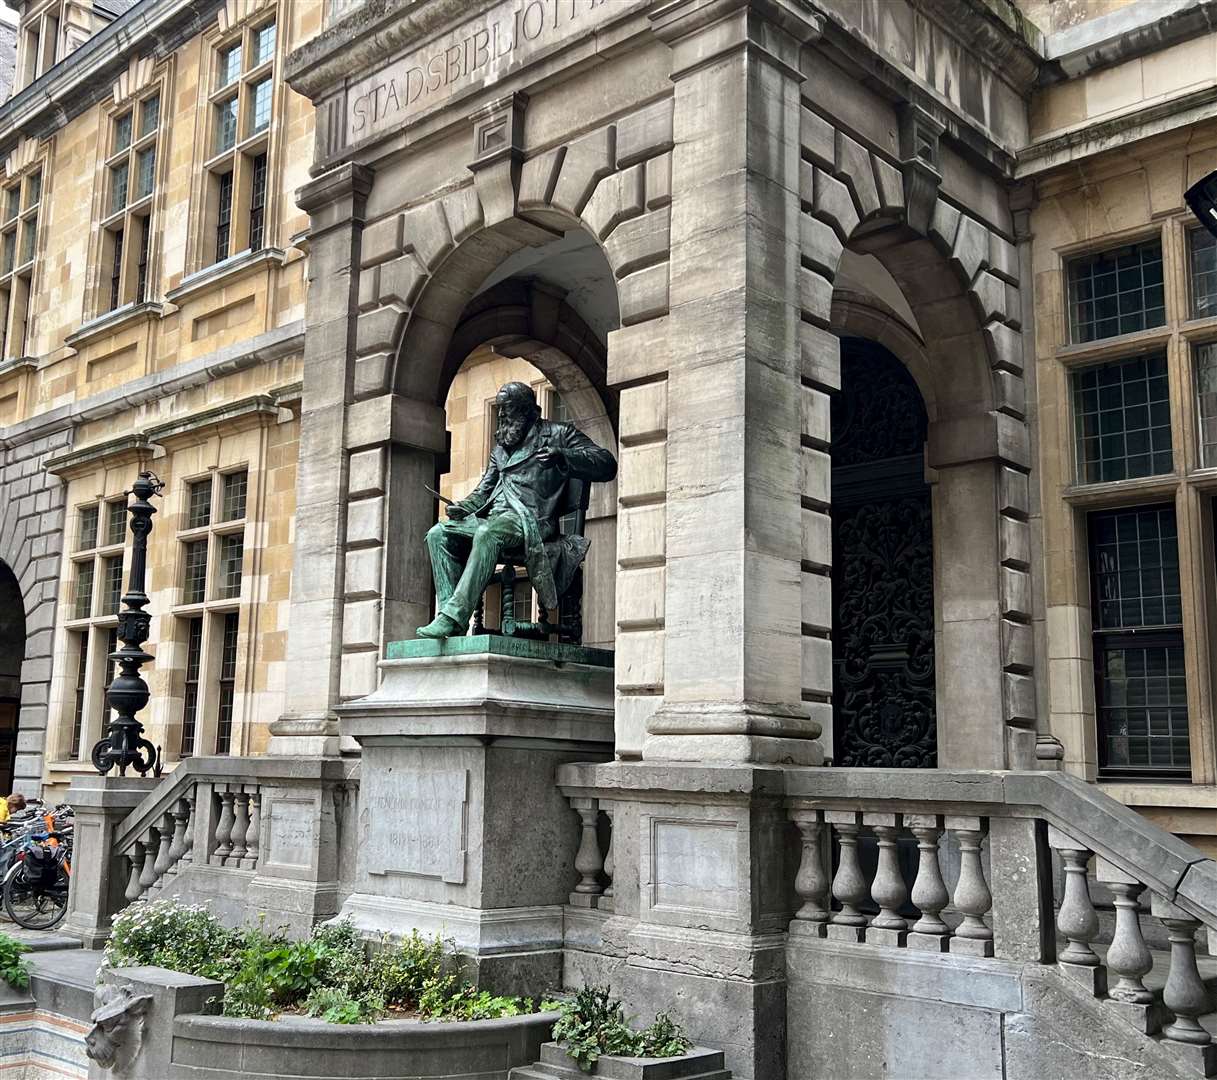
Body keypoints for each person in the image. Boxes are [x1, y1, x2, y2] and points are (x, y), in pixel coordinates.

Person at [417, 381, 617, 639]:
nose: (501, 416)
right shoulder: (501, 448)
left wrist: (564, 456)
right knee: (438, 533)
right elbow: (483, 491)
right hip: (495, 516)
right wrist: (463, 507)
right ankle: (450, 616)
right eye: (499, 410)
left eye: (506, 410)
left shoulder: (558, 433)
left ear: (526, 411)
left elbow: (606, 463)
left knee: (488, 533)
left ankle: (454, 615)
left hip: (530, 520)